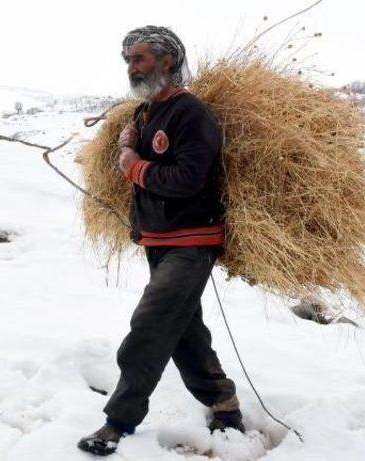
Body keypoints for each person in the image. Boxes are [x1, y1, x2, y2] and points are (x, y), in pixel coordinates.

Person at [78, 26, 243, 456]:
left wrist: (133, 164)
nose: (132, 68)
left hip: (192, 240)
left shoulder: (191, 113)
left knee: (149, 326)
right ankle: (223, 403)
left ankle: (118, 421)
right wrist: (131, 151)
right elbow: (150, 172)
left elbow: (188, 180)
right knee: (184, 329)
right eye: (129, 61)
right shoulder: (145, 114)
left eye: (140, 59)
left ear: (167, 61)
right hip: (158, 239)